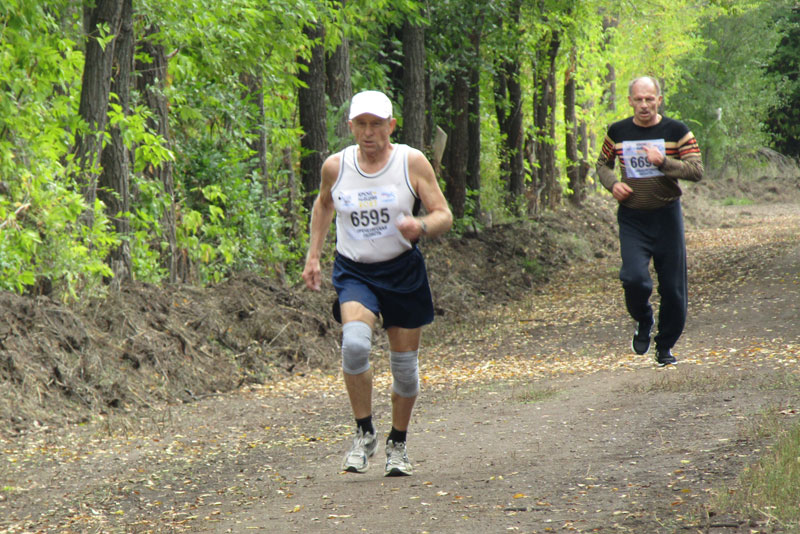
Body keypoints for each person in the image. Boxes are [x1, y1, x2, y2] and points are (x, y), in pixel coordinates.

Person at [302, 90, 453, 476]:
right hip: (356, 271)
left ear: (391, 125)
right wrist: (313, 256)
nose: (369, 133)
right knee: (354, 346)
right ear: (350, 126)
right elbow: (323, 205)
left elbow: (443, 215)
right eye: (361, 125)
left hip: (402, 270)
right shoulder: (336, 167)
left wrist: (419, 225)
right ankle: (364, 432)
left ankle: (397, 444)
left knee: (404, 369)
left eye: (376, 124)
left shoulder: (411, 162)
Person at [595, 76, 703, 367]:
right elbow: (601, 165)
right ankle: (644, 319)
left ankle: (665, 345)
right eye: (638, 99)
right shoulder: (617, 131)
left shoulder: (676, 130)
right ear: (630, 101)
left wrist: (664, 162)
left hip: (667, 216)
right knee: (633, 278)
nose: (644, 105)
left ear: (659, 99)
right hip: (633, 217)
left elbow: (696, 170)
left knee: (673, 288)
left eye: (649, 98)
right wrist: (612, 184)